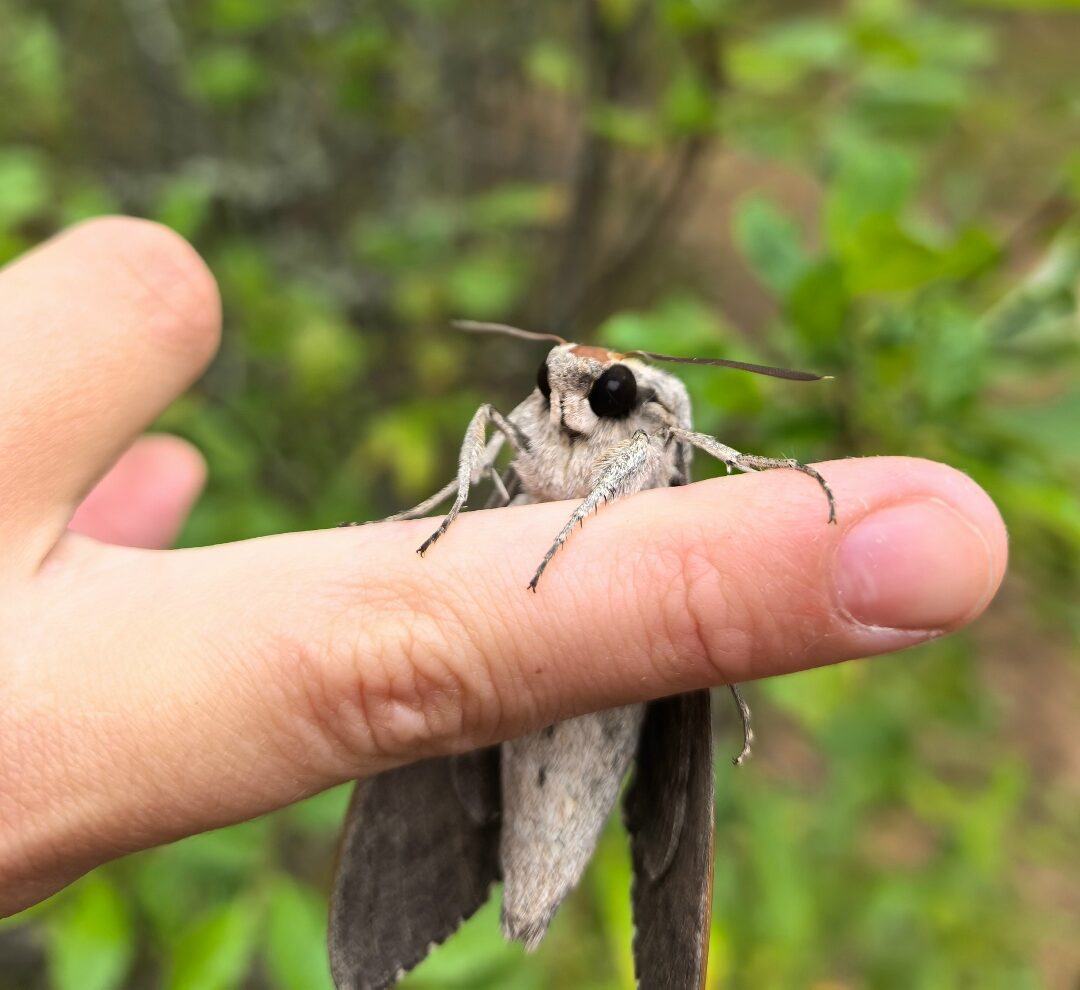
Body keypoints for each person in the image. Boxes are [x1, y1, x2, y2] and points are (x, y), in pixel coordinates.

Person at [0, 218, 1008, 918]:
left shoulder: (652, 430)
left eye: (600, 395)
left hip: (604, 725)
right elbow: (501, 432)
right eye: (559, 385)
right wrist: (445, 509)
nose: (571, 407)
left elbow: (680, 457)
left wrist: (736, 474)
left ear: (639, 407)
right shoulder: (541, 413)